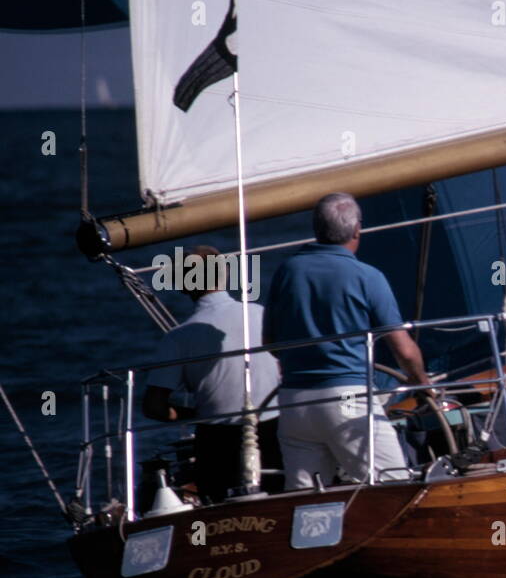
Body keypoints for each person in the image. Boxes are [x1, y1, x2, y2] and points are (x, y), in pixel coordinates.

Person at [263, 193, 430, 489]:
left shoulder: (286, 272)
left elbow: (271, 342)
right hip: (349, 399)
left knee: (306, 503)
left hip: (294, 403)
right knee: (393, 488)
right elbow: (404, 350)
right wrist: (422, 384)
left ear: (317, 228)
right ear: (356, 230)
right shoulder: (367, 276)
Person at [143, 244, 283, 502]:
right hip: (276, 432)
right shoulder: (263, 314)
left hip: (218, 442)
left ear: (183, 285)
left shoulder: (178, 338)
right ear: (224, 275)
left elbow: (154, 407)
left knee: (213, 497)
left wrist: (194, 414)